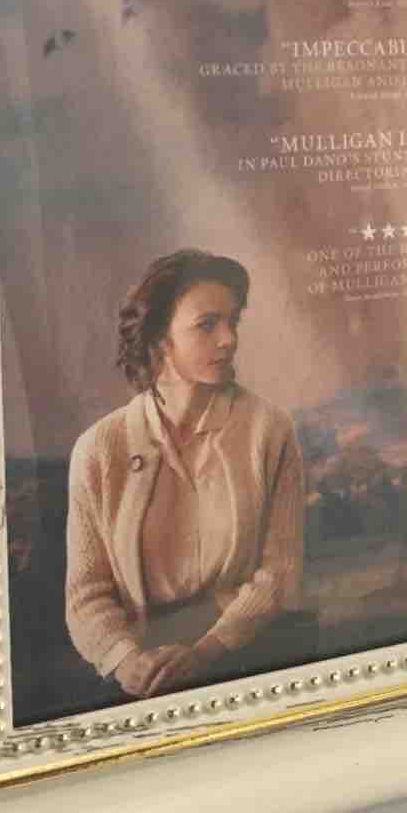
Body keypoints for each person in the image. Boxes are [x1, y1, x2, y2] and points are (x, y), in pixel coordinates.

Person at [65, 249, 306, 698]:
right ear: (159, 338)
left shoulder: (270, 430)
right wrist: (127, 662)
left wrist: (207, 652)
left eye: (233, 321)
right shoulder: (98, 450)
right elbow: (86, 595)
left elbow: (280, 573)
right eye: (207, 324)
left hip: (247, 662)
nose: (229, 339)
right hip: (138, 681)